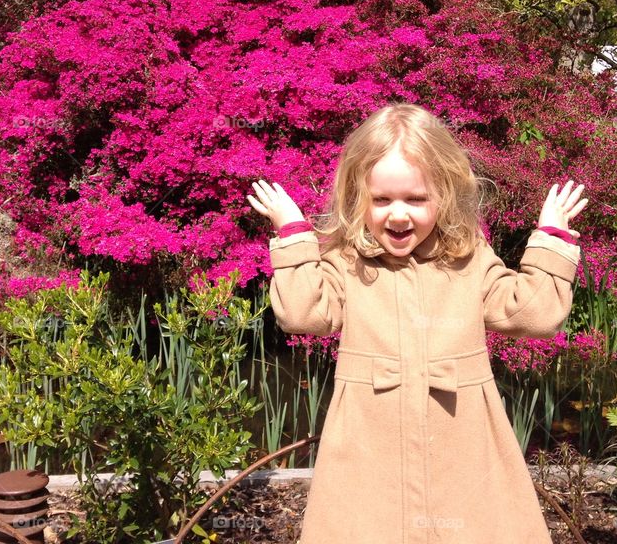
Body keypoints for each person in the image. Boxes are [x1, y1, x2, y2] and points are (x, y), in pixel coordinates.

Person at [246, 103, 588, 544]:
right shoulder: (346, 263)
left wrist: (550, 239)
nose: (399, 214)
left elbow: (534, 313)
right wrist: (294, 234)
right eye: (382, 199)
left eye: (416, 198)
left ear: (444, 195)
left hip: (462, 448)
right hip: (368, 453)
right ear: (357, 197)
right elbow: (302, 314)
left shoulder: (468, 258)